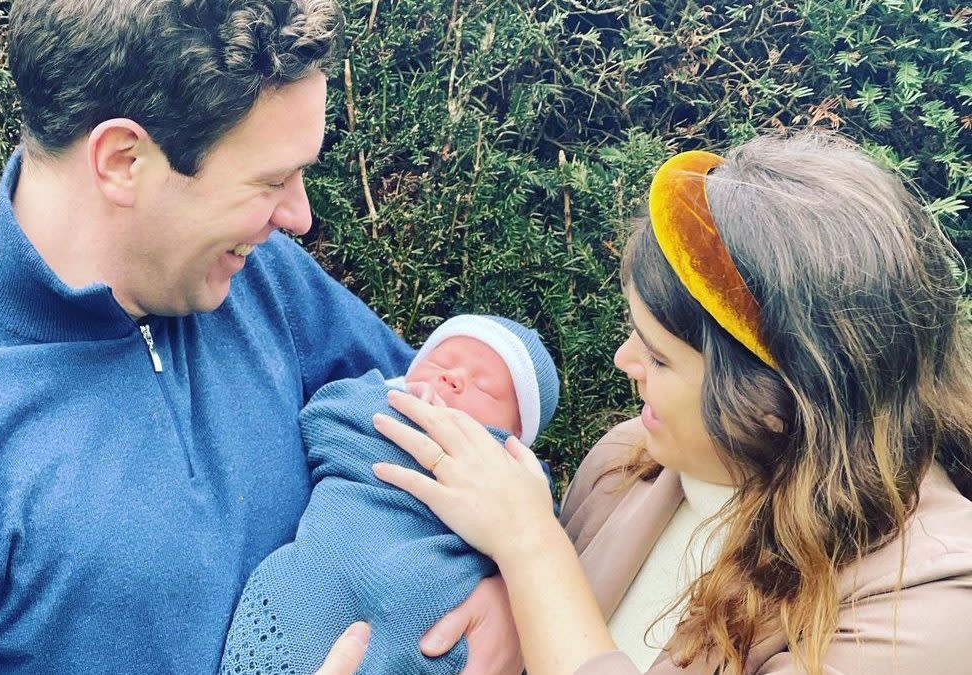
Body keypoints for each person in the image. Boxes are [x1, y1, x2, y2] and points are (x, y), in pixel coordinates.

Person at [0, 1, 522, 673]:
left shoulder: (258, 278)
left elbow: (480, 447)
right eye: (273, 180)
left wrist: (510, 594)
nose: (300, 216)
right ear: (124, 160)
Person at [372, 131, 972, 674]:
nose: (622, 362)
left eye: (659, 357)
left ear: (778, 401)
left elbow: (550, 580)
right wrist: (507, 596)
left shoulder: (926, 609)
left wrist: (531, 549)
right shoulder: (627, 462)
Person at [221, 315, 560, 674]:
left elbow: (534, 525)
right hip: (313, 581)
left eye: (485, 387)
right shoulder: (371, 402)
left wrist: (515, 595)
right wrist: (392, 403)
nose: (453, 377)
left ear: (517, 433)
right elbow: (326, 415)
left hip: (432, 619)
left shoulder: (516, 474)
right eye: (440, 363)